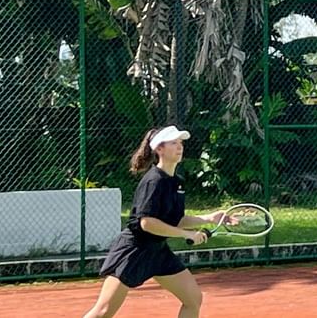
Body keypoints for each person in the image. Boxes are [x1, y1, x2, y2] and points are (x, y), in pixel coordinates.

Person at [84, 125, 231, 318]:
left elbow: (175, 220)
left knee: (193, 299)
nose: (180, 147)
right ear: (159, 149)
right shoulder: (153, 181)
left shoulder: (176, 182)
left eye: (180, 143)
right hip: (135, 251)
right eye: (173, 143)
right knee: (103, 312)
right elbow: (147, 222)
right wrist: (187, 235)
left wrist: (209, 218)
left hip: (158, 252)